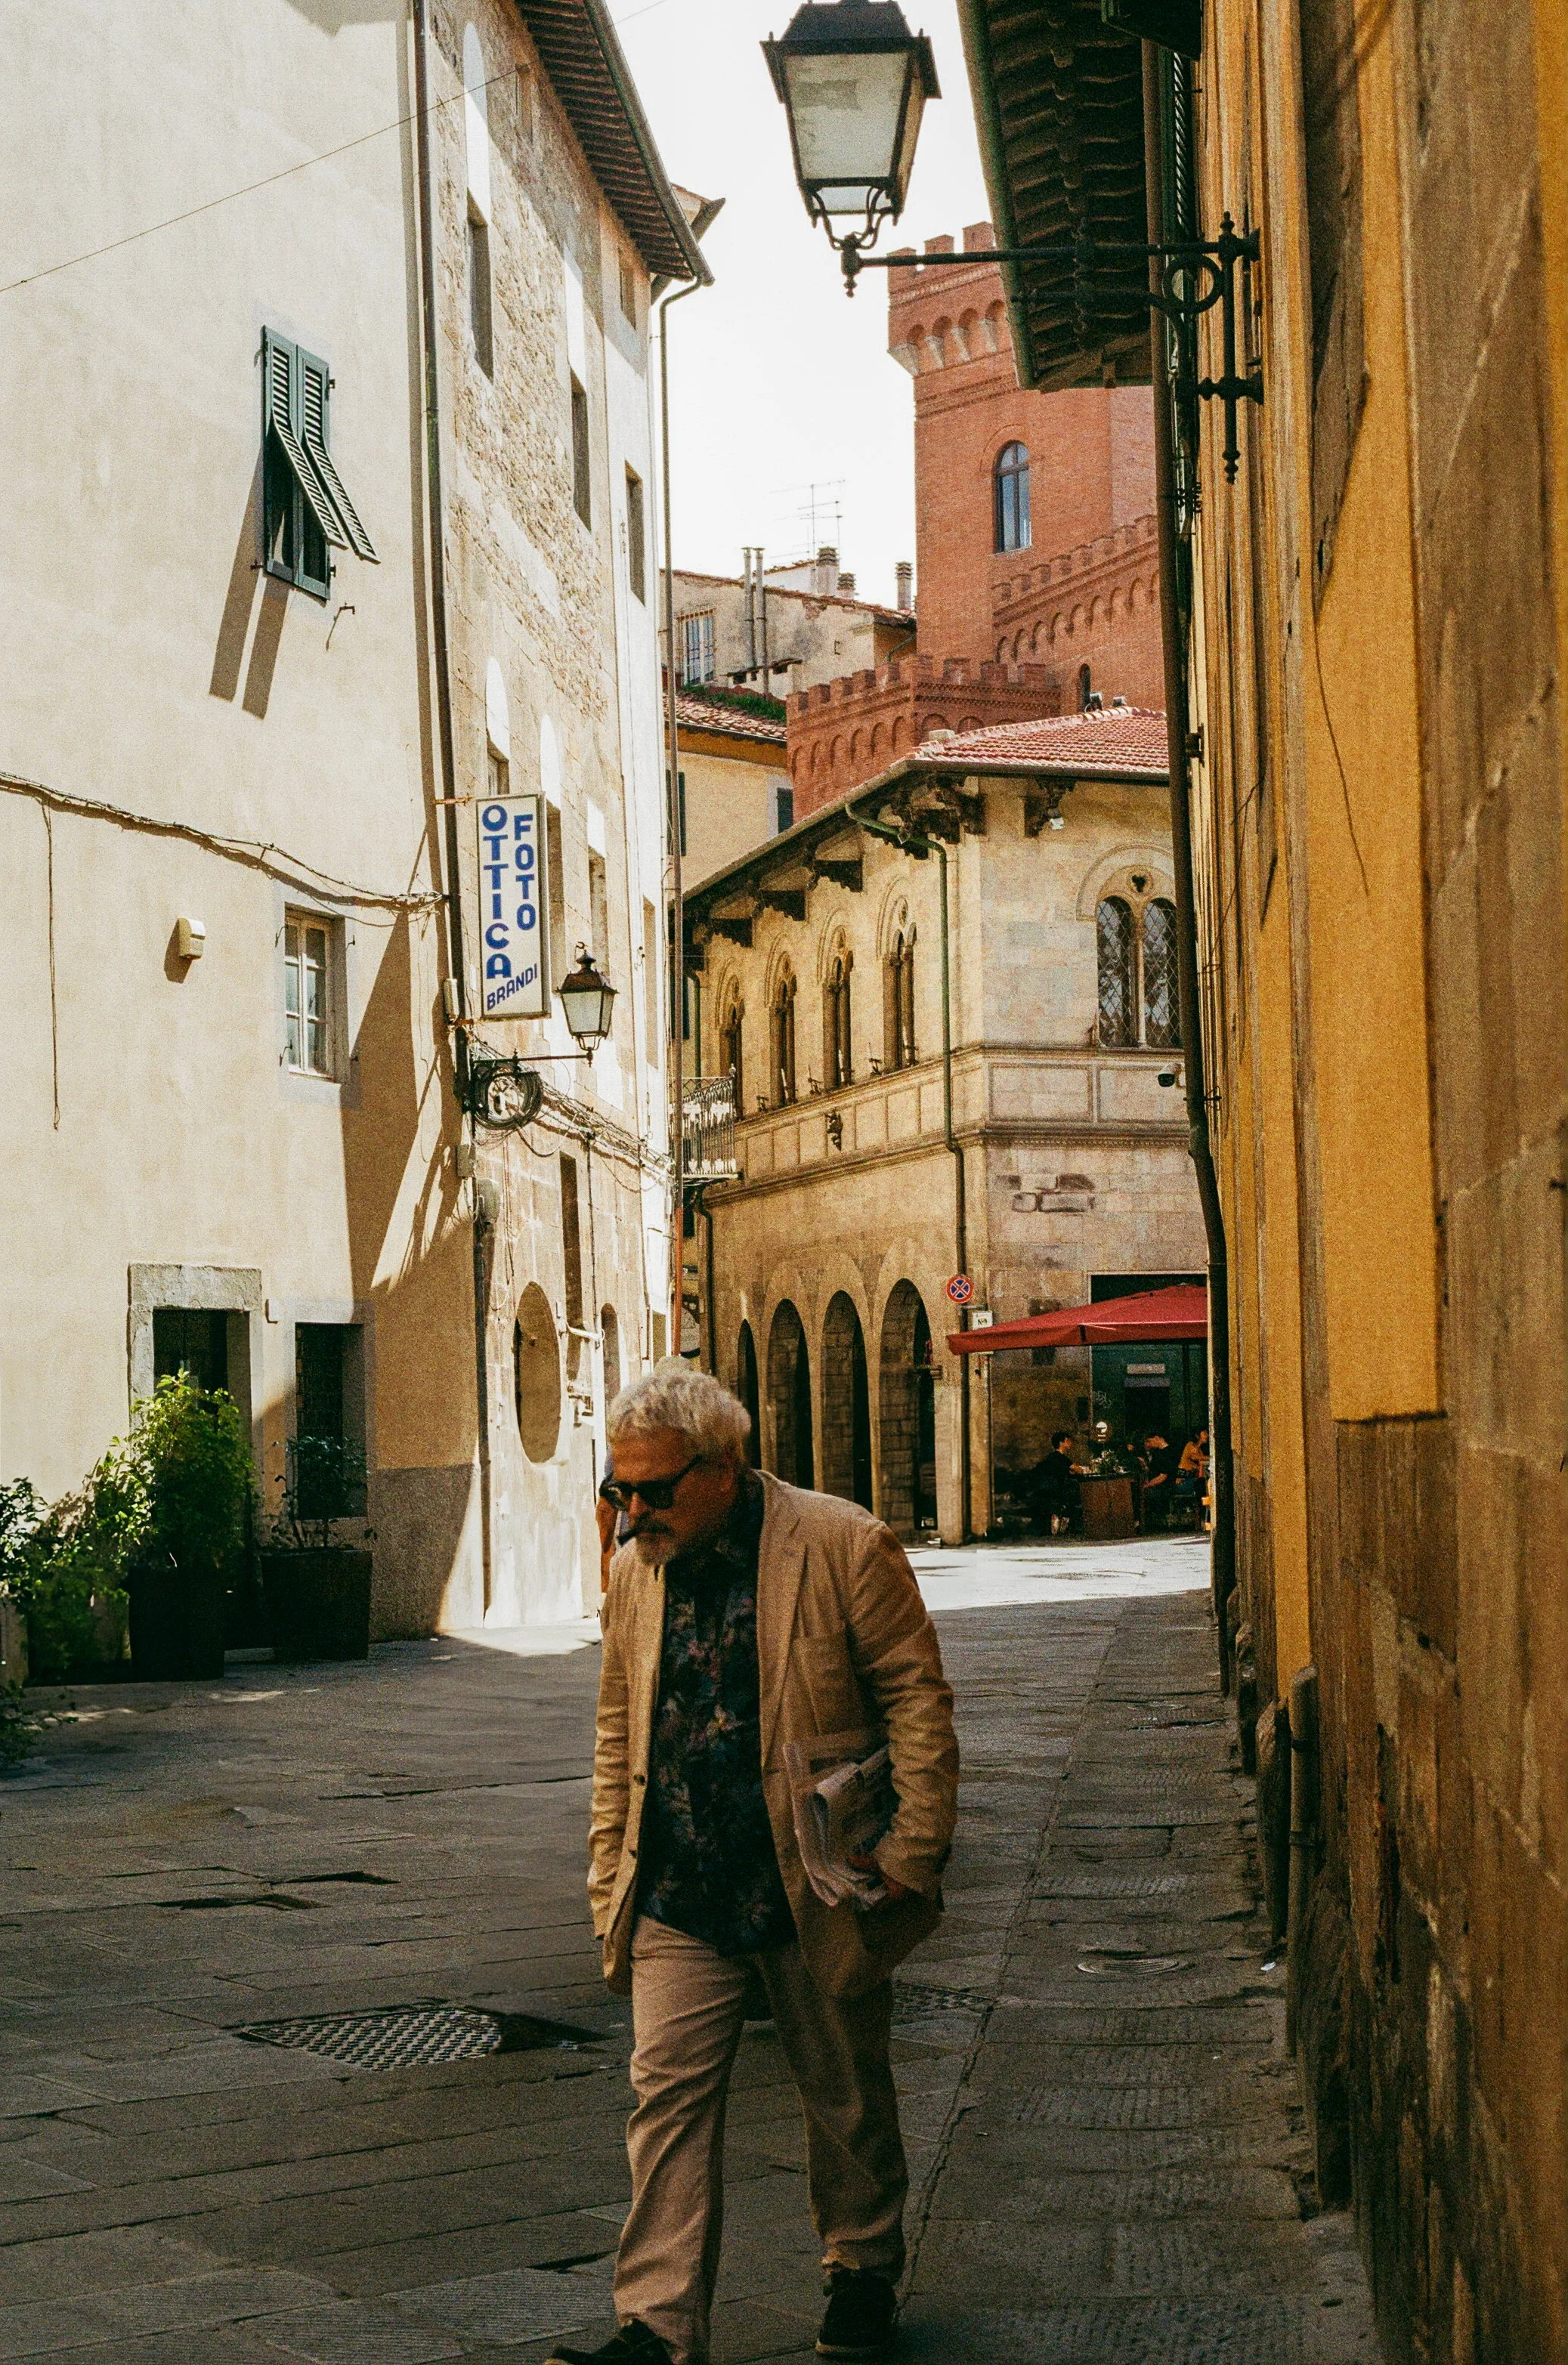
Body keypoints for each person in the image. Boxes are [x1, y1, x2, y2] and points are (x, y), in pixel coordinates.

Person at [549, 1366, 958, 2365]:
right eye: (619, 1488)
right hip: (679, 1884)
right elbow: (617, 1721)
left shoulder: (842, 1543)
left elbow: (916, 1699)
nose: (631, 1509)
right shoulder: (635, 1564)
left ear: (722, 1469)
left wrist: (910, 1849)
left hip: (814, 1874)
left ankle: (858, 2267)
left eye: (651, 1489)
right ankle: (655, 2324)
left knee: (843, 2085)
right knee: (665, 2100)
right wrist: (610, 1865)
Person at [1029, 1430, 1081, 1535]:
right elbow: (1079, 1470)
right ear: (1062, 1443)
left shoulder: (1051, 1457)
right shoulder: (1061, 1458)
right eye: (1068, 1441)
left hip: (1049, 1488)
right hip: (1059, 1489)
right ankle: (1068, 1527)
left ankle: (1059, 1526)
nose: (1070, 1443)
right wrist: (1075, 1468)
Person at [1138, 1432, 1180, 1531]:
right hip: (1158, 1483)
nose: (1150, 1444)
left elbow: (1163, 1476)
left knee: (1147, 1494)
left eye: (1150, 1441)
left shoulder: (1168, 1452)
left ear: (1156, 1438)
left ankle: (1154, 1522)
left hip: (1166, 1485)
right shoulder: (1157, 1453)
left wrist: (1147, 1485)